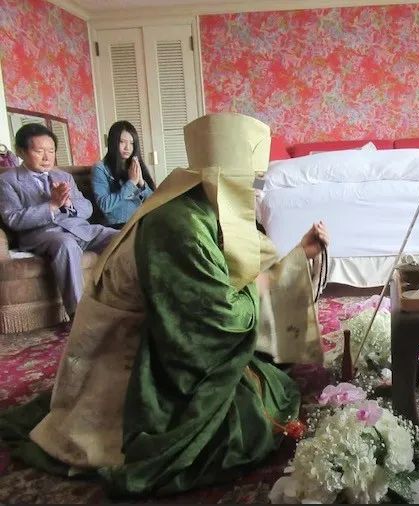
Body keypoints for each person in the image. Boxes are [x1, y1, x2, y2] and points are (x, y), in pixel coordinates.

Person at [0, 113, 329, 497]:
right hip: (135, 357)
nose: (256, 191)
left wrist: (298, 255)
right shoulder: (179, 224)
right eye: (252, 180)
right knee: (245, 422)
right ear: (223, 176)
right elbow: (213, 320)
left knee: (264, 381)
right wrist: (265, 286)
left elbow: (239, 274)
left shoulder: (202, 203)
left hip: (169, 326)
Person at [0, 123, 119, 319]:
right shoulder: (7, 180)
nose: (47, 157)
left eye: (51, 150)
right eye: (39, 151)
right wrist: (52, 205)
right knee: (66, 244)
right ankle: (79, 316)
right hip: (42, 235)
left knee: (123, 237)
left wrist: (68, 203)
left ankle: (129, 302)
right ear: (21, 151)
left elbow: (87, 208)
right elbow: (13, 218)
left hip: (80, 229)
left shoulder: (64, 176)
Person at [92, 121, 155, 228]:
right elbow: (104, 205)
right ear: (112, 143)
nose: (128, 148)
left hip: (142, 220)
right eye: (122, 142)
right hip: (120, 225)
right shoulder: (100, 168)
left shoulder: (135, 165)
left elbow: (153, 201)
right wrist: (131, 183)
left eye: (131, 143)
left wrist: (141, 182)